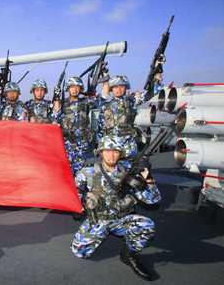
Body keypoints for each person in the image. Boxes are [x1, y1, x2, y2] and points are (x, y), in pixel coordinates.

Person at [71, 135, 160, 281]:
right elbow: (75, 189)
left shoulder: (129, 173)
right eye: (107, 151)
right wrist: (77, 208)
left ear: (120, 153)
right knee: (79, 252)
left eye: (116, 151)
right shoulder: (88, 171)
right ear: (101, 152)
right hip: (97, 220)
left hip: (121, 219)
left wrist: (148, 178)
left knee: (147, 225)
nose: (111, 155)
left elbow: (153, 200)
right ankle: (98, 234)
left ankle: (128, 255)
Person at [98, 56, 165, 159]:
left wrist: (158, 69)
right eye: (115, 87)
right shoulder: (106, 105)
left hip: (128, 145)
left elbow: (154, 91)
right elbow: (101, 127)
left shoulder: (132, 101)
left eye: (121, 86)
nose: (118, 89)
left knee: (130, 169)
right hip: (111, 146)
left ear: (126, 87)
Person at [53, 76, 109, 176]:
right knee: (65, 172)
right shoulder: (63, 103)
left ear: (81, 89)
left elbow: (104, 97)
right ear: (68, 89)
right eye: (72, 87)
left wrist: (105, 78)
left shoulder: (85, 102)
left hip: (82, 144)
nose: (75, 89)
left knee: (81, 173)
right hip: (67, 144)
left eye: (77, 87)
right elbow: (56, 115)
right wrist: (56, 98)